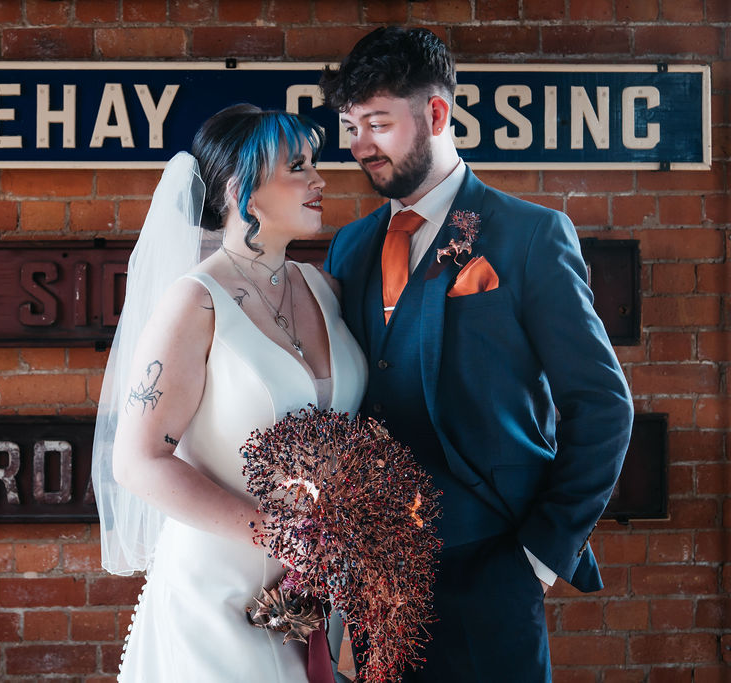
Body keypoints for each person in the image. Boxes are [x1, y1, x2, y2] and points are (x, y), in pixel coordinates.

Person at [320, 27, 634, 682]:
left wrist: (540, 557)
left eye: (377, 123)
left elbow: (602, 404)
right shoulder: (348, 249)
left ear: (435, 114)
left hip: (492, 568)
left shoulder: (527, 234)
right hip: (374, 585)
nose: (359, 146)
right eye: (351, 127)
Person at [92, 104, 367, 682]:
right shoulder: (194, 302)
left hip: (315, 599)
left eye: (314, 164)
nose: (320, 181)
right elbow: (138, 462)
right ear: (243, 189)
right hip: (215, 599)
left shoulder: (323, 289)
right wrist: (284, 536)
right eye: (298, 167)